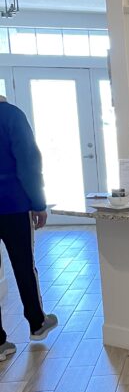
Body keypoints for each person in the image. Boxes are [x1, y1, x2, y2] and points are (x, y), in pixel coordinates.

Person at [0, 94, 58, 361]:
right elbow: (28, 162)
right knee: (23, 264)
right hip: (12, 203)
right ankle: (36, 323)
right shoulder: (11, 115)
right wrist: (38, 202)